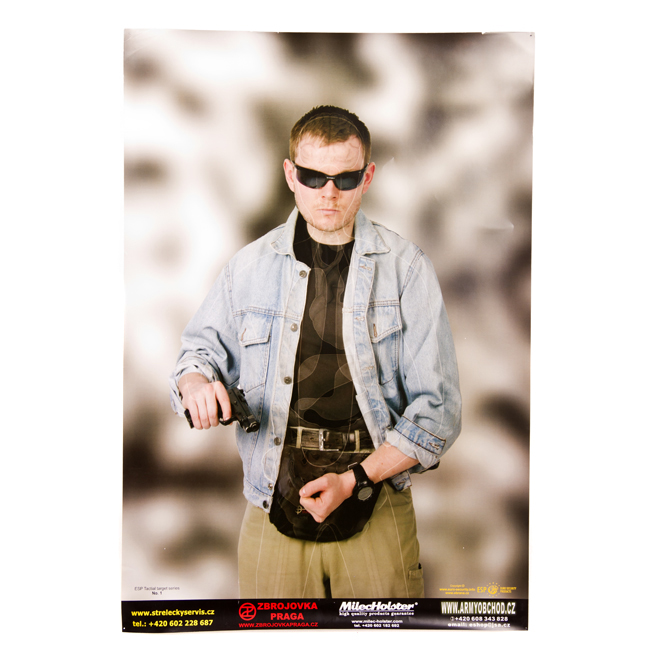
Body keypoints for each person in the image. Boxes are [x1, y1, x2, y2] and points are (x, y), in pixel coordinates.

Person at [169, 105, 461, 599]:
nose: (329, 193)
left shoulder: (407, 269)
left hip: (376, 503)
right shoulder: (248, 268)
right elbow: (197, 355)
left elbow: (440, 410)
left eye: (345, 179)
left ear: (367, 177)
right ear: (290, 175)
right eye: (313, 176)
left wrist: (355, 479)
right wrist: (195, 383)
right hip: (271, 503)